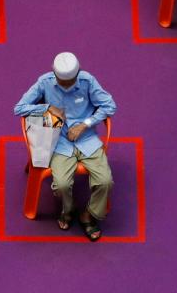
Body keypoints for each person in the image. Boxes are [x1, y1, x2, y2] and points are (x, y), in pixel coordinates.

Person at [13, 52, 117, 241]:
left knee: (105, 181)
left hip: (87, 140)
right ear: (54, 74)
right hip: (59, 142)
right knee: (61, 185)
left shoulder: (88, 82)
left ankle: (90, 214)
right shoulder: (44, 83)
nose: (67, 87)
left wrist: (85, 124)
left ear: (78, 74)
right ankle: (68, 209)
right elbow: (19, 108)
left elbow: (109, 106)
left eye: (70, 82)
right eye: (62, 82)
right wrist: (46, 107)